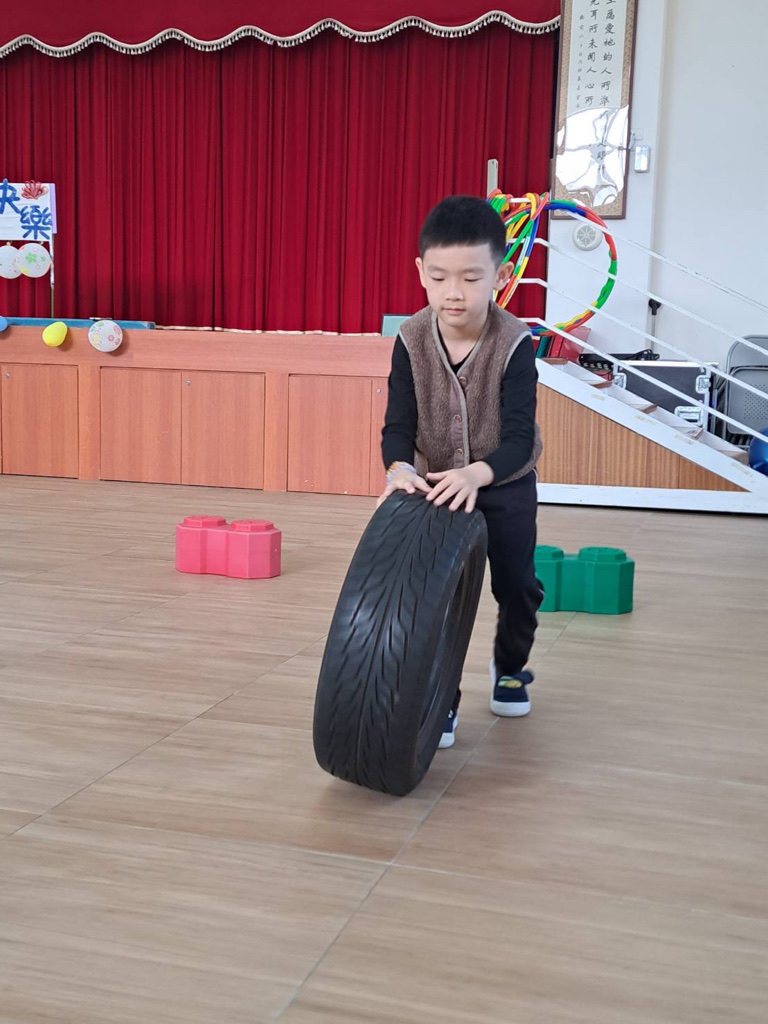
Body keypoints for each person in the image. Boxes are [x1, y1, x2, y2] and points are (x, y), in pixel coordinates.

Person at [379, 194, 543, 749]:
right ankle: (441, 695)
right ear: (420, 272)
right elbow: (397, 424)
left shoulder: (516, 343)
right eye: (440, 277)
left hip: (504, 484)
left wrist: (478, 474)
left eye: (472, 278)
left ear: (500, 276)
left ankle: (510, 668)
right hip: (436, 489)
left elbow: (519, 438)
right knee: (438, 595)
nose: (454, 292)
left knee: (517, 586)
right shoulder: (409, 339)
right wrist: (400, 467)